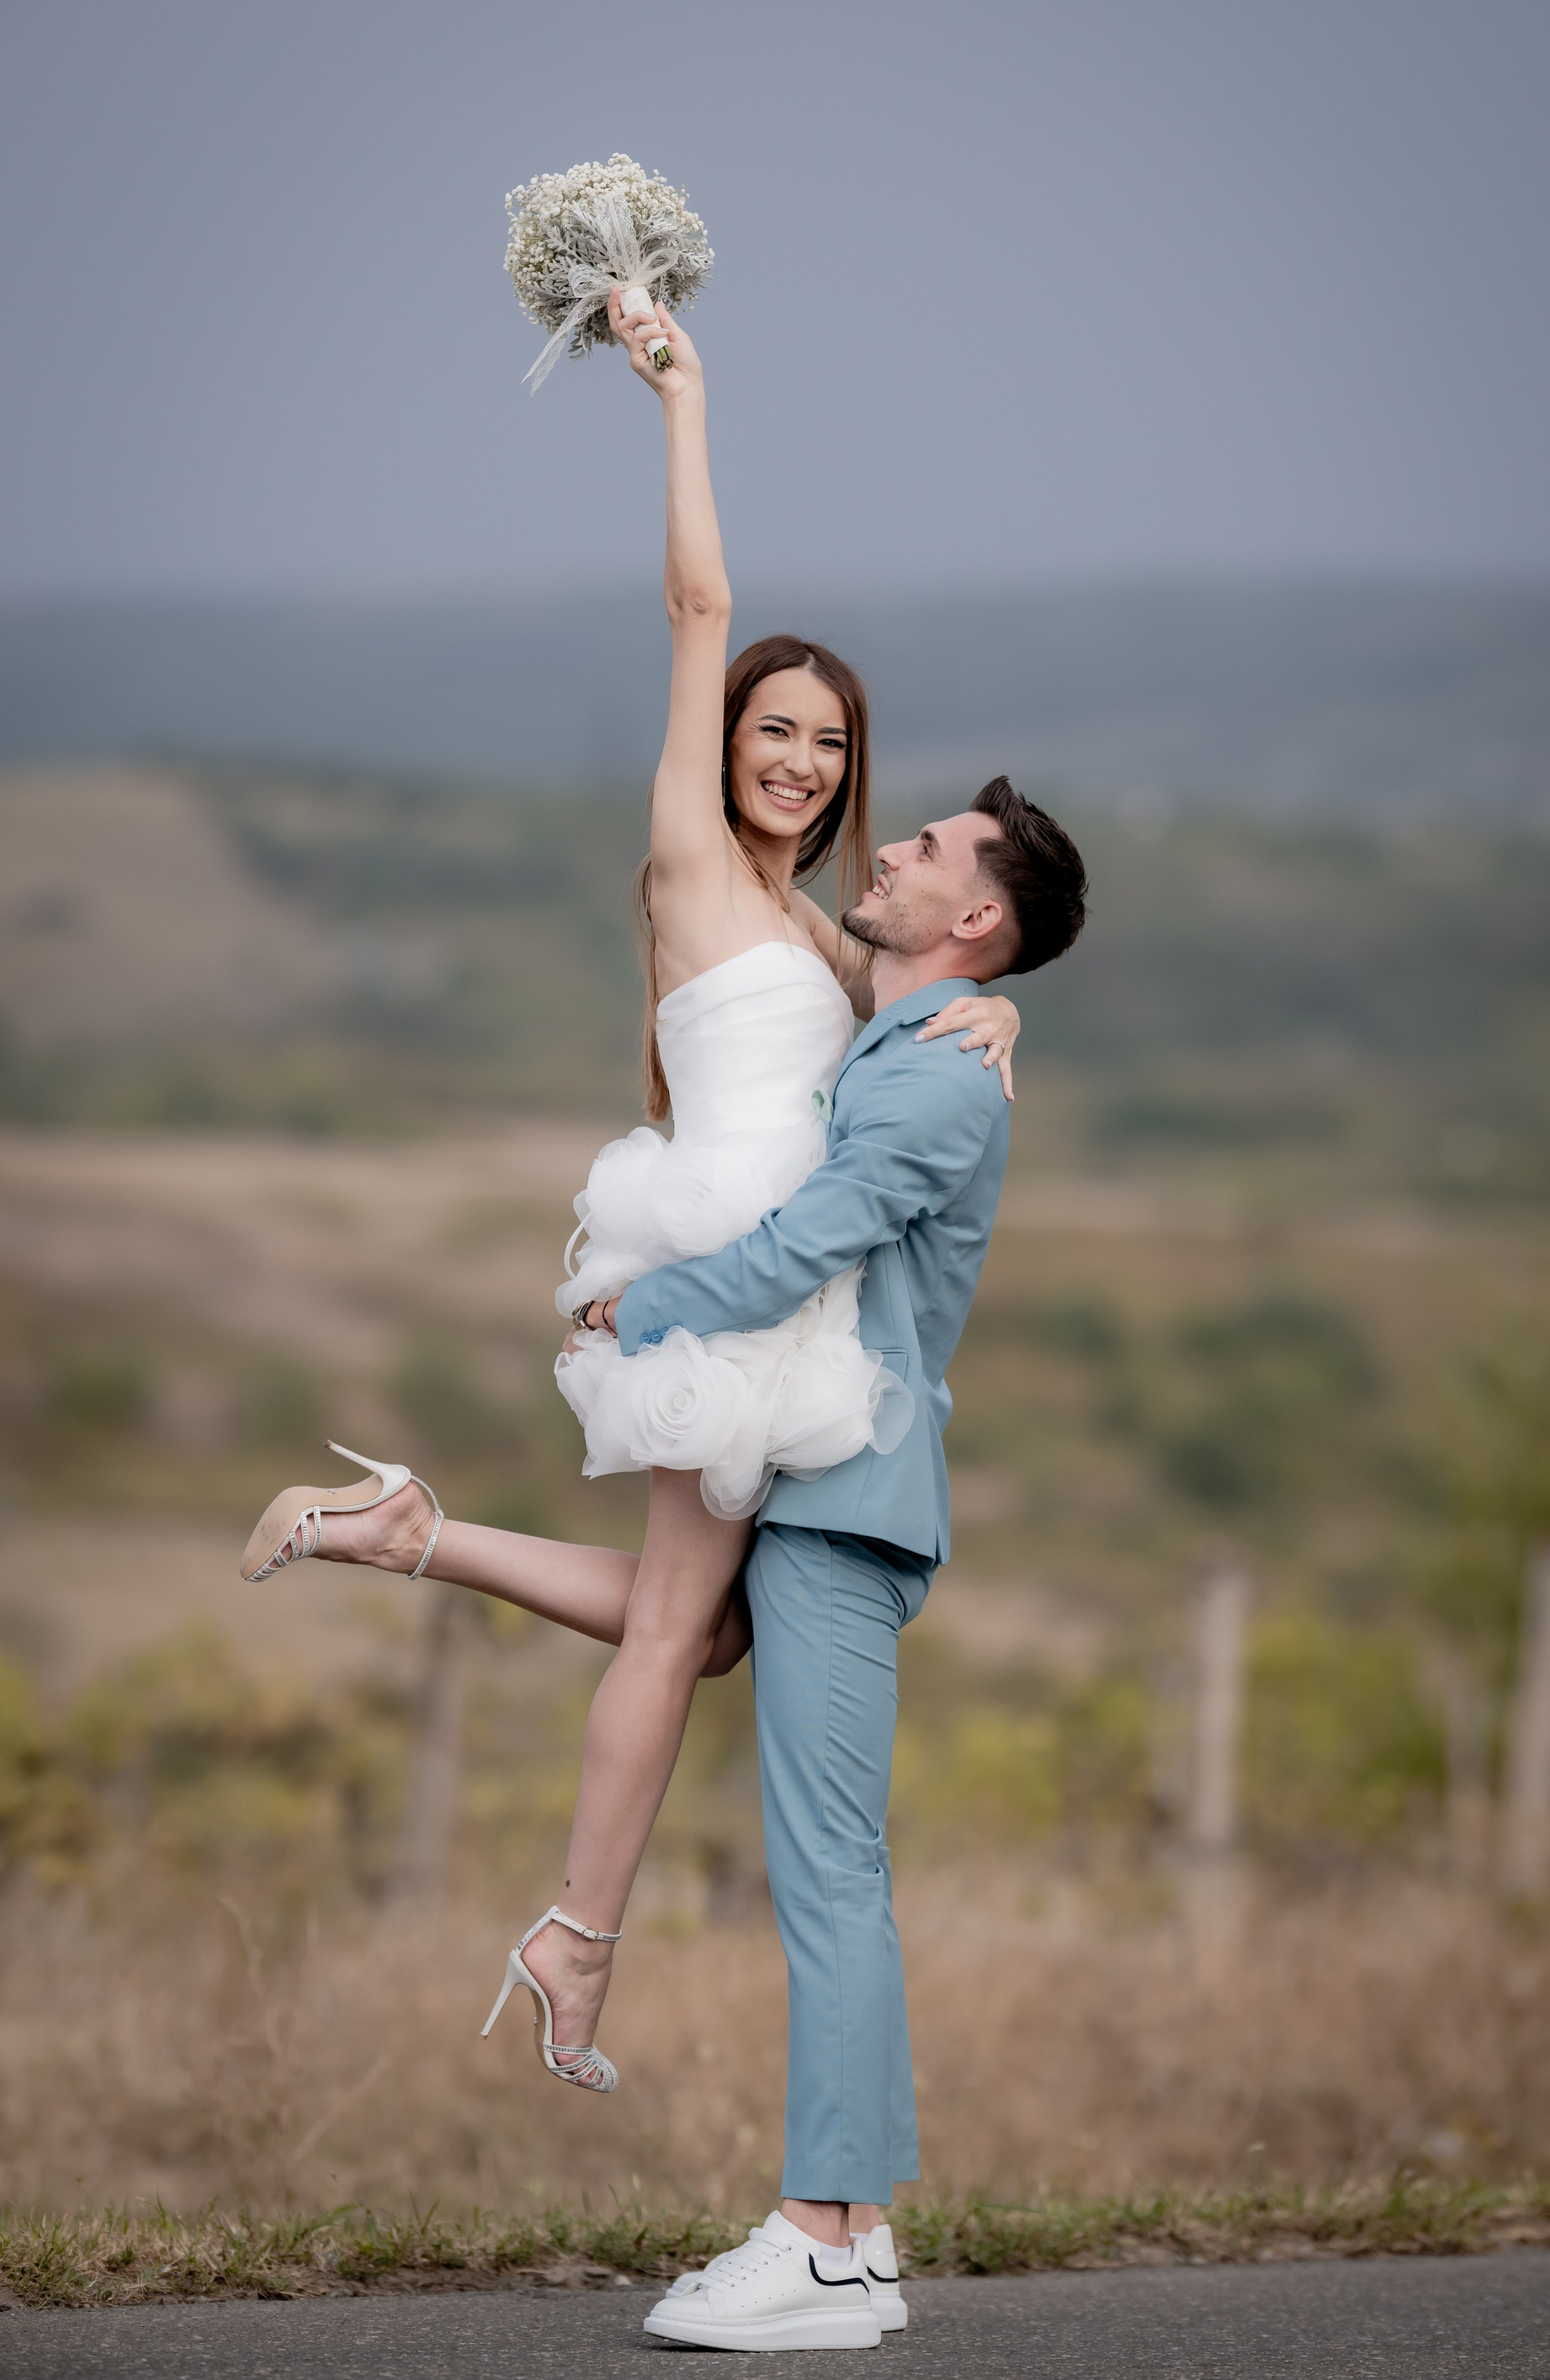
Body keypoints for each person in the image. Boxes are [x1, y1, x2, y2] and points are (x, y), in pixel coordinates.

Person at [238, 286, 1022, 2097]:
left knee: (713, 1626)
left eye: (832, 746)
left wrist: (1003, 1016)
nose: (801, 761)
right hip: (722, 1260)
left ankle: (405, 1534)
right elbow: (697, 608)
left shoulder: (823, 931)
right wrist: (680, 396)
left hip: (776, 1274)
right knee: (683, 1628)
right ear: (726, 737)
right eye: (775, 729)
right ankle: (574, 1943)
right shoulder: (689, 859)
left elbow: (928, 988)